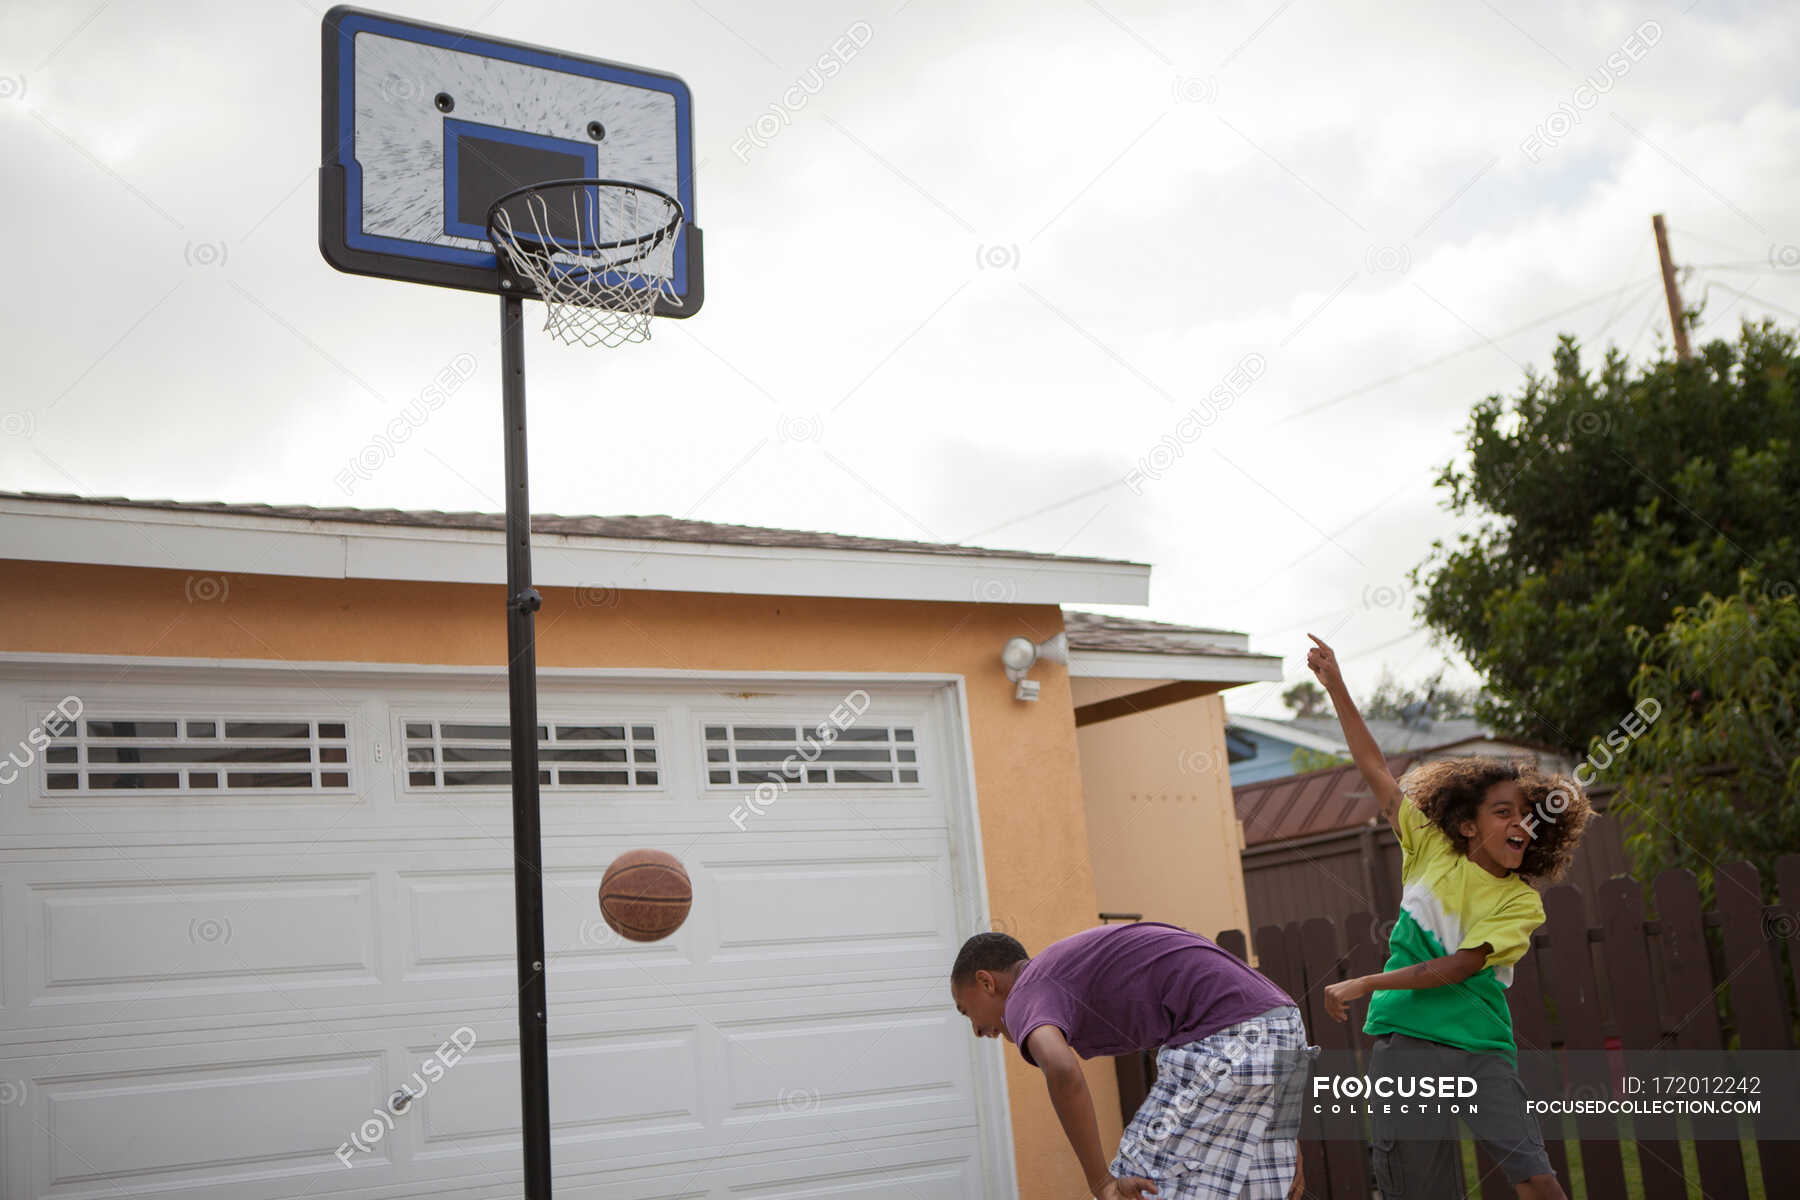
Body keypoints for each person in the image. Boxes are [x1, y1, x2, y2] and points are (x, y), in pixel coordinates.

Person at [1305, 633, 1591, 1199]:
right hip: (1404, 1043)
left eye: (1528, 817)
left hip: (1478, 1047)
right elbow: (1373, 767)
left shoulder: (1519, 901)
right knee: (1417, 1188)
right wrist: (1336, 684)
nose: (1520, 824)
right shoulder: (1430, 848)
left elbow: (1459, 967)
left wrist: (1364, 981)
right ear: (1466, 824)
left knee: (1535, 1177)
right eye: (1503, 812)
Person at [950, 921, 1316, 1199]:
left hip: (1230, 1036)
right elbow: (1261, 1017)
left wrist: (1100, 1182)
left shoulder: (1024, 994)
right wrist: (1280, 1132)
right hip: (1279, 1024)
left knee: (1136, 1181)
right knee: (1256, 1189)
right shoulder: (1058, 971)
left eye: (967, 1012)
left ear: (986, 983)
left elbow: (1061, 1070)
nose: (978, 1030)